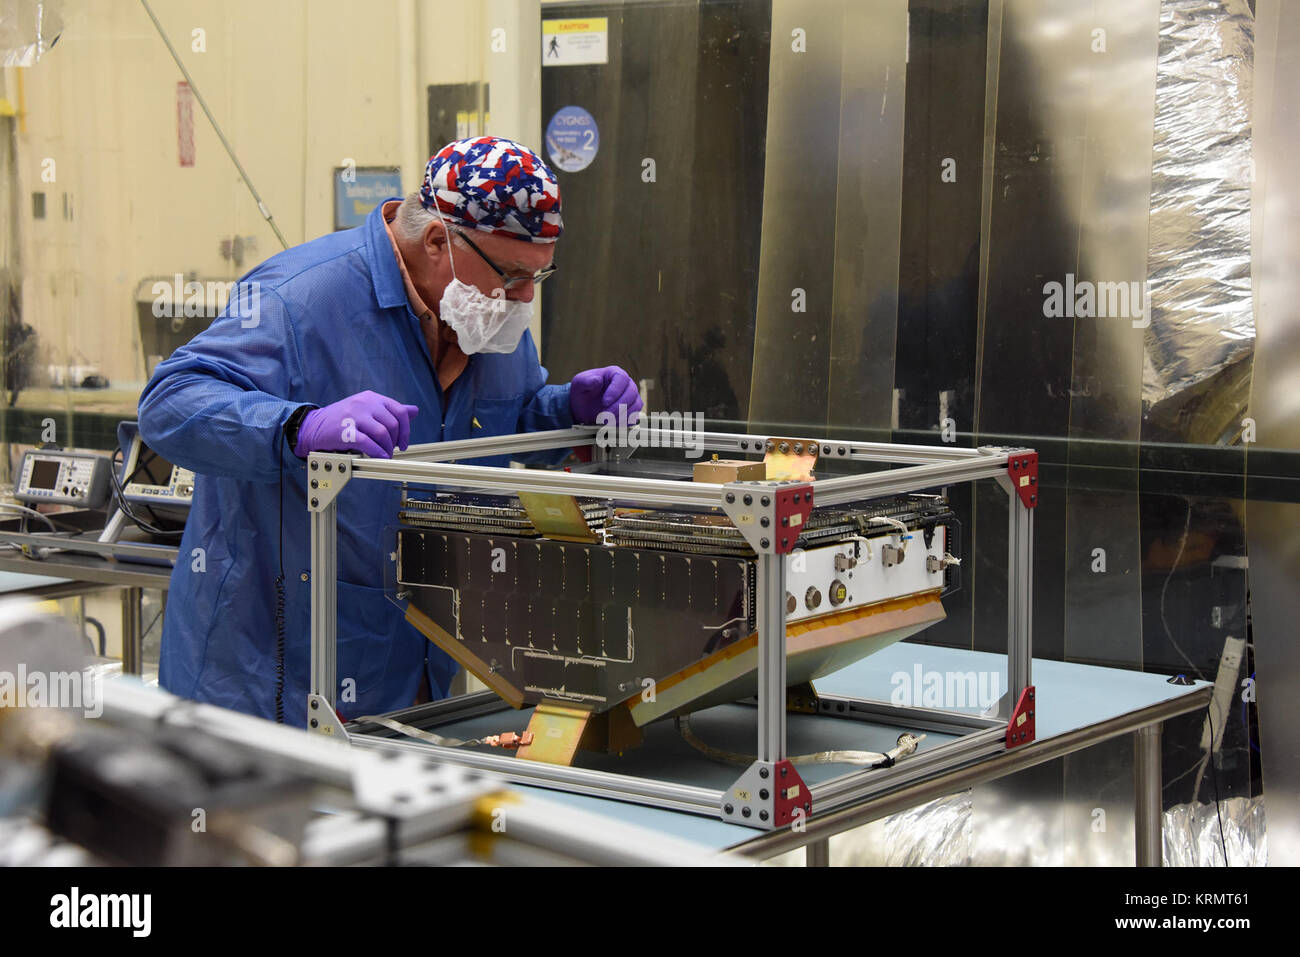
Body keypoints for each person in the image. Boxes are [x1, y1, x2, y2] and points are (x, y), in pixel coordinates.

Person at [138, 136, 642, 725]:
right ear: (436, 242)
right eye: (511, 274)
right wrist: (296, 426)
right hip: (269, 681)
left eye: (540, 275)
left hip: (421, 677)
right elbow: (171, 404)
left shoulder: (485, 311)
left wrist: (563, 412)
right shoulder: (299, 298)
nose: (524, 297)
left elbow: (495, 421)